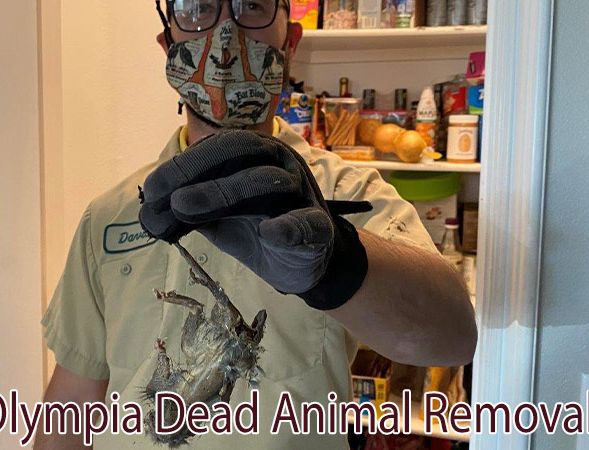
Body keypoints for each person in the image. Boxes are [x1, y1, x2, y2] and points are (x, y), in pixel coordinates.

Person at [35, 1, 477, 448]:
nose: (226, 33)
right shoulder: (108, 216)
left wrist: (338, 262)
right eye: (197, 7)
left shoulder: (348, 191)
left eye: (252, 5)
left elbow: (453, 337)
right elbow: (73, 401)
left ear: (291, 43)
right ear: (168, 44)